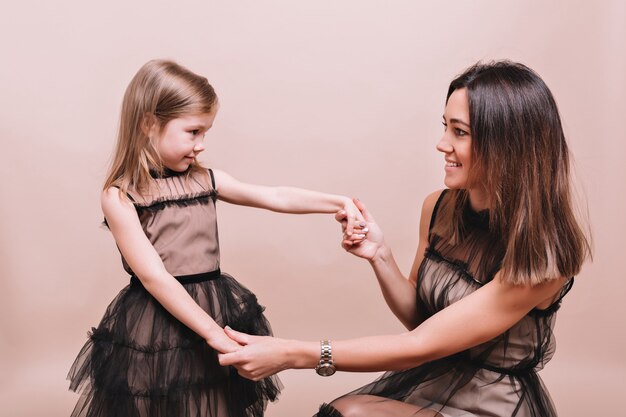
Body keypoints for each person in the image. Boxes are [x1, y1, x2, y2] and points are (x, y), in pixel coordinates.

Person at [218, 60, 591, 417]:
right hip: (433, 380)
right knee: (343, 413)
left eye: (459, 132)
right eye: (445, 126)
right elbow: (421, 320)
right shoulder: (438, 207)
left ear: (507, 146)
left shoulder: (543, 255)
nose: (442, 144)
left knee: (355, 412)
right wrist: (379, 255)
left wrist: (291, 354)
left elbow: (419, 345)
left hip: (492, 402)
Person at [66, 59, 368, 417]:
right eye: (193, 132)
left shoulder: (205, 179)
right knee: (157, 405)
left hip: (213, 304)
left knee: (215, 403)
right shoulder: (122, 196)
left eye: (205, 133)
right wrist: (214, 335)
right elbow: (154, 276)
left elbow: (274, 196)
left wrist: (339, 202)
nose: (201, 145)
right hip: (157, 320)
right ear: (149, 123)